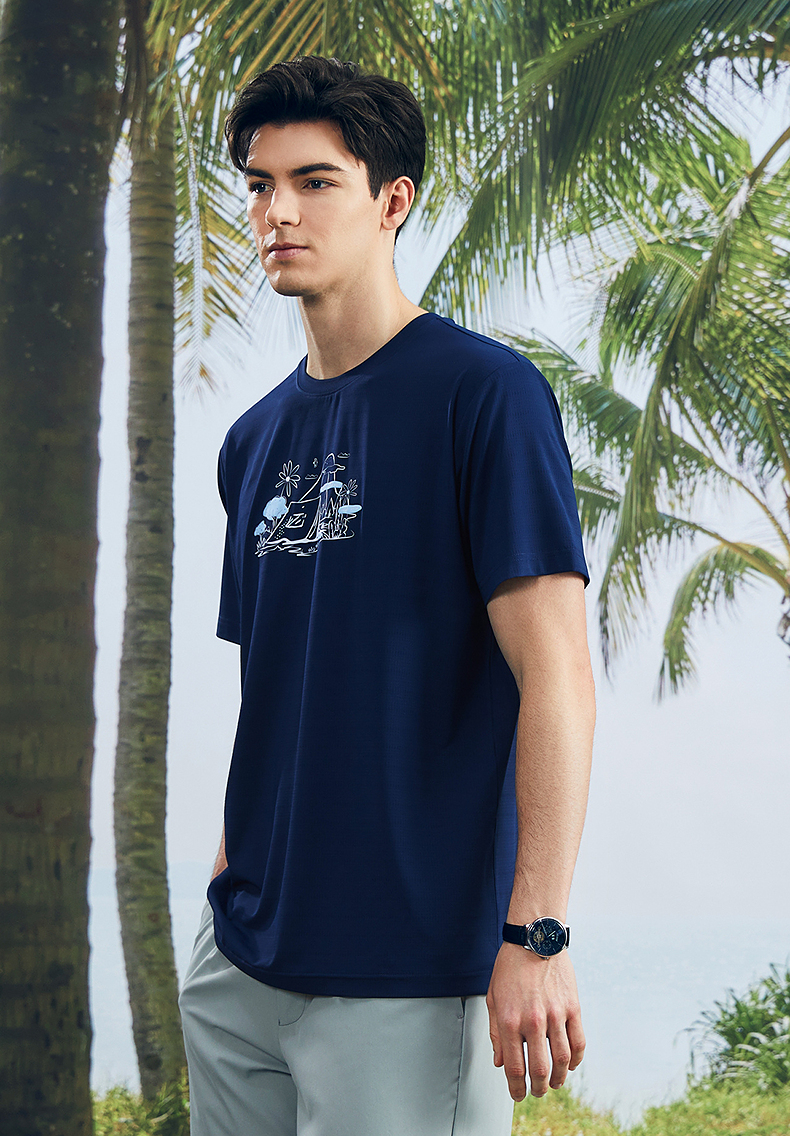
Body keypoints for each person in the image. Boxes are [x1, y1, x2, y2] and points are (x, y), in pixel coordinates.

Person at [178, 55, 595, 1136]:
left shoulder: (484, 396)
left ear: (392, 200)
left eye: (315, 181)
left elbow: (555, 673)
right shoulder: (251, 441)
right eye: (261, 185)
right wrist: (223, 891)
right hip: (241, 964)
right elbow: (275, 689)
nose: (278, 212)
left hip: (408, 971)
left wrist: (537, 934)